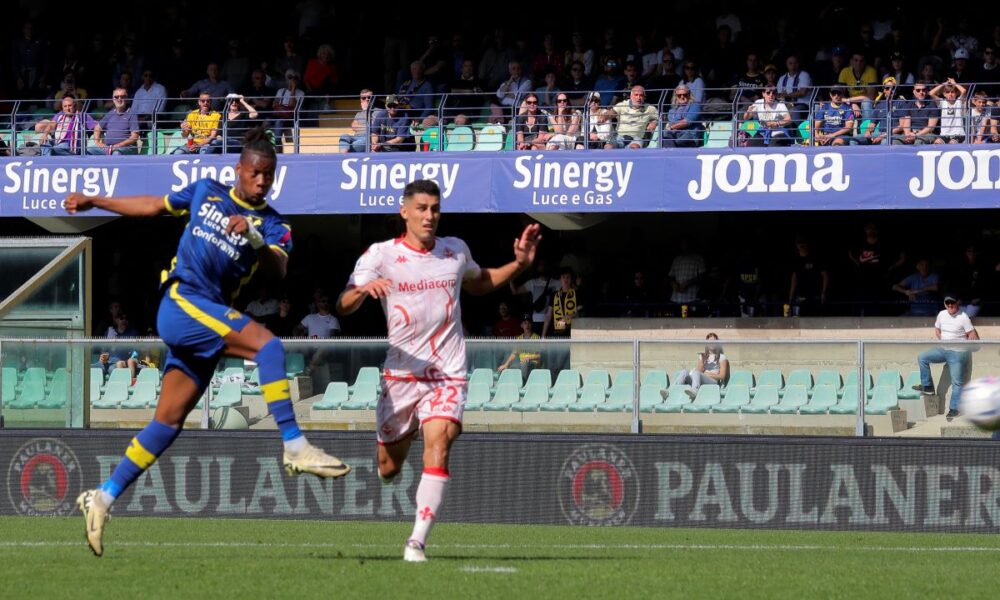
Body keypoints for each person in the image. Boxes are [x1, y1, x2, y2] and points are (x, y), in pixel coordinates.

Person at [65, 127, 350, 558]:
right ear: (239, 170)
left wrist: (253, 237)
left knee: (166, 424)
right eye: (255, 173)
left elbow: (278, 270)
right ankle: (295, 446)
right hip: (182, 302)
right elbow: (153, 205)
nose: (261, 181)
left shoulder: (274, 224)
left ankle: (101, 498)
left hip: (208, 321)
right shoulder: (206, 191)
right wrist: (96, 201)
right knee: (269, 347)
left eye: (269, 175)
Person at [336, 179, 540, 562]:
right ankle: (399, 447)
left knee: (439, 444)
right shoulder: (380, 255)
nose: (429, 216)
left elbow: (479, 283)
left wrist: (519, 265)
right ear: (404, 212)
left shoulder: (455, 250)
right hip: (401, 375)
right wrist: (363, 291)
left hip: (448, 371)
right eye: (422, 208)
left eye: (435, 208)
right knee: (388, 468)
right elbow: (343, 304)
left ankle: (417, 542)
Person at [914, 296, 979, 420]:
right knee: (922, 357)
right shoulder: (942, 314)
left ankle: (954, 409)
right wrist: (943, 340)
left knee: (957, 382)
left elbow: (973, 336)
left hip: (958, 352)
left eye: (952, 302)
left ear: (958, 302)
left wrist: (965, 347)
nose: (950, 305)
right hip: (943, 349)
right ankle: (928, 387)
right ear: (944, 304)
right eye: (947, 302)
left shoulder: (963, 317)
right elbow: (937, 330)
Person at [670, 332, 730, 400]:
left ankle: (695, 391)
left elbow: (722, 376)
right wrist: (702, 360)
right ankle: (672, 391)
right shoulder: (703, 356)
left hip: (713, 381)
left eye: (714, 341)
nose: (712, 343)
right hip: (701, 379)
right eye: (710, 341)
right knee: (684, 372)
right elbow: (699, 372)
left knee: (696, 373)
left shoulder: (722, 357)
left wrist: (707, 374)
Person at [497, 315, 543, 379]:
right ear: (521, 325)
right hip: (522, 364)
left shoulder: (537, 337)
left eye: (529, 323)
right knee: (508, 368)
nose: (527, 325)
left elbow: (540, 356)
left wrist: (528, 358)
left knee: (525, 364)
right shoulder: (519, 338)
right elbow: (514, 354)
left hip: (534, 364)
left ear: (531, 325)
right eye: (525, 323)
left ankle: (523, 383)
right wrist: (506, 365)